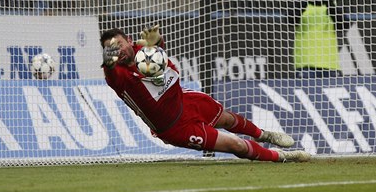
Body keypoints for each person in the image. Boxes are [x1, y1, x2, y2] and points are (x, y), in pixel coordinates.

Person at [100, 24, 311, 163]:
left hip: (185, 100)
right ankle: (282, 157)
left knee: (228, 119)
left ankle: (264, 135)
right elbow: (110, 74)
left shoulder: (143, 51)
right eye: (111, 49)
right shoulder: (118, 75)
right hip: (175, 128)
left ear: (128, 40)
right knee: (234, 144)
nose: (118, 50)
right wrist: (109, 61)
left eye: (119, 44)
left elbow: (159, 54)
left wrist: (159, 42)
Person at [287, 0, 347, 78]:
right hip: (305, 64)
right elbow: (290, 20)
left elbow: (343, 24)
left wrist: (329, 3)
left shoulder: (330, 4)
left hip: (330, 65)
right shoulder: (299, 3)